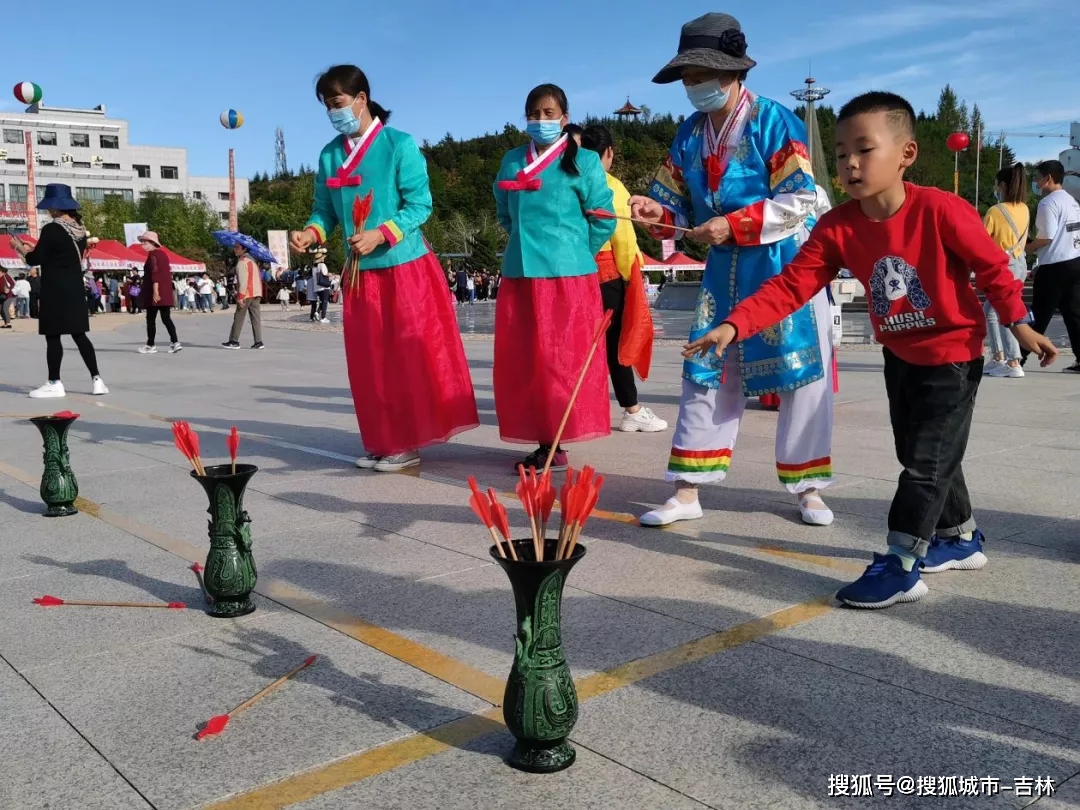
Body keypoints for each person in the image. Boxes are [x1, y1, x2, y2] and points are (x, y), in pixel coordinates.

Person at [689, 91, 1057, 609]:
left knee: (924, 463)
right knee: (922, 453)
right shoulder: (837, 226)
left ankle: (901, 562)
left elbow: (993, 268)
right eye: (840, 154)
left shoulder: (941, 209)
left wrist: (1019, 323)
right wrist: (734, 324)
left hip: (953, 356)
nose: (850, 163)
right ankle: (959, 537)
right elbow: (790, 285)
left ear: (905, 154)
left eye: (864, 149)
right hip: (898, 355)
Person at [631, 13, 835, 528]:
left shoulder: (775, 121)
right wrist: (661, 216)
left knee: (801, 374)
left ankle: (808, 486)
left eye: (700, 73)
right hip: (722, 271)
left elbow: (801, 200)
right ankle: (687, 489)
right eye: (687, 76)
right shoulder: (689, 133)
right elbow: (673, 206)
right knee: (706, 369)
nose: (692, 85)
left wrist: (736, 224)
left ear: (732, 72)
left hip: (784, 264)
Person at [290, 64, 479, 472]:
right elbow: (325, 211)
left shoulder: (399, 145)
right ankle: (383, 438)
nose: (332, 112)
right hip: (359, 275)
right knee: (369, 360)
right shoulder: (329, 154)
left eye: (337, 103)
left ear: (361, 99)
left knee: (404, 357)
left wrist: (380, 234)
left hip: (403, 267)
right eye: (326, 106)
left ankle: (406, 441)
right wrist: (311, 232)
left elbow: (420, 206)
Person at [493, 83, 616, 472]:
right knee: (526, 361)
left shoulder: (585, 159)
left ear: (564, 119)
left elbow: (603, 218)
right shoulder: (512, 160)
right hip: (520, 274)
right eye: (534, 113)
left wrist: (575, 249)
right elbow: (504, 213)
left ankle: (556, 440)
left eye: (549, 113)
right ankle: (544, 438)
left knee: (560, 360)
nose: (541, 120)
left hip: (567, 277)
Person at [580, 124, 668, 433]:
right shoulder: (611, 186)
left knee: (579, 344)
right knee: (615, 343)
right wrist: (632, 276)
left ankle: (577, 407)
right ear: (608, 153)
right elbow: (623, 238)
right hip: (605, 275)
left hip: (572, 273)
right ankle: (631, 409)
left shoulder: (568, 180)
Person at [8, 184, 108, 398]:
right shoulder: (80, 229)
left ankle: (54, 381)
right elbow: (56, 253)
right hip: (74, 287)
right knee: (79, 335)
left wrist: (18, 248)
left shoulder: (52, 228)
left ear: (54, 207)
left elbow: (35, 259)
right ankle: (97, 380)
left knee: (53, 335)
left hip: (55, 288)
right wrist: (33, 248)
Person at [1026, 159, 1080, 373]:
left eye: (1037, 178)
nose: (1035, 183)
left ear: (1048, 178)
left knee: (1038, 315)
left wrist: (1026, 248)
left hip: (1055, 266)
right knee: (1074, 314)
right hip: (1075, 261)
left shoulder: (1047, 203)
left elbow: (1046, 237)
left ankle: (1016, 360)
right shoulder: (1072, 201)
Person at [981, 164, 1030, 378]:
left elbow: (982, 240)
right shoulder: (1024, 208)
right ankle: (1000, 357)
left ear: (1002, 185)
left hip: (1003, 266)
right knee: (993, 311)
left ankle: (1012, 361)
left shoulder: (996, 210)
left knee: (1001, 313)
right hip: (1020, 263)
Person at [136, 231, 182, 354]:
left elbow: (156, 274)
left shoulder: (154, 255)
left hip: (155, 292)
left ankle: (150, 345)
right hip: (165, 291)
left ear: (152, 243)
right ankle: (175, 342)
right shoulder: (163, 255)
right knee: (166, 318)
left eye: (144, 242)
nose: (142, 245)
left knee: (150, 319)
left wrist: (156, 291)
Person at [222, 243, 265, 349]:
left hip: (247, 293)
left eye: (237, 247)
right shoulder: (253, 261)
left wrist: (240, 296)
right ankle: (258, 341)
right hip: (256, 292)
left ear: (244, 249)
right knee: (255, 317)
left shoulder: (242, 262)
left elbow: (243, 281)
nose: (235, 249)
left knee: (239, 316)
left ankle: (234, 341)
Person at [310, 249, 331, 323]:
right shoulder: (322, 265)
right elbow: (325, 273)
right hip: (324, 286)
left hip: (317, 287)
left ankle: (317, 312)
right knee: (325, 301)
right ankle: (323, 317)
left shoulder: (314, 267)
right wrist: (331, 275)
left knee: (322, 301)